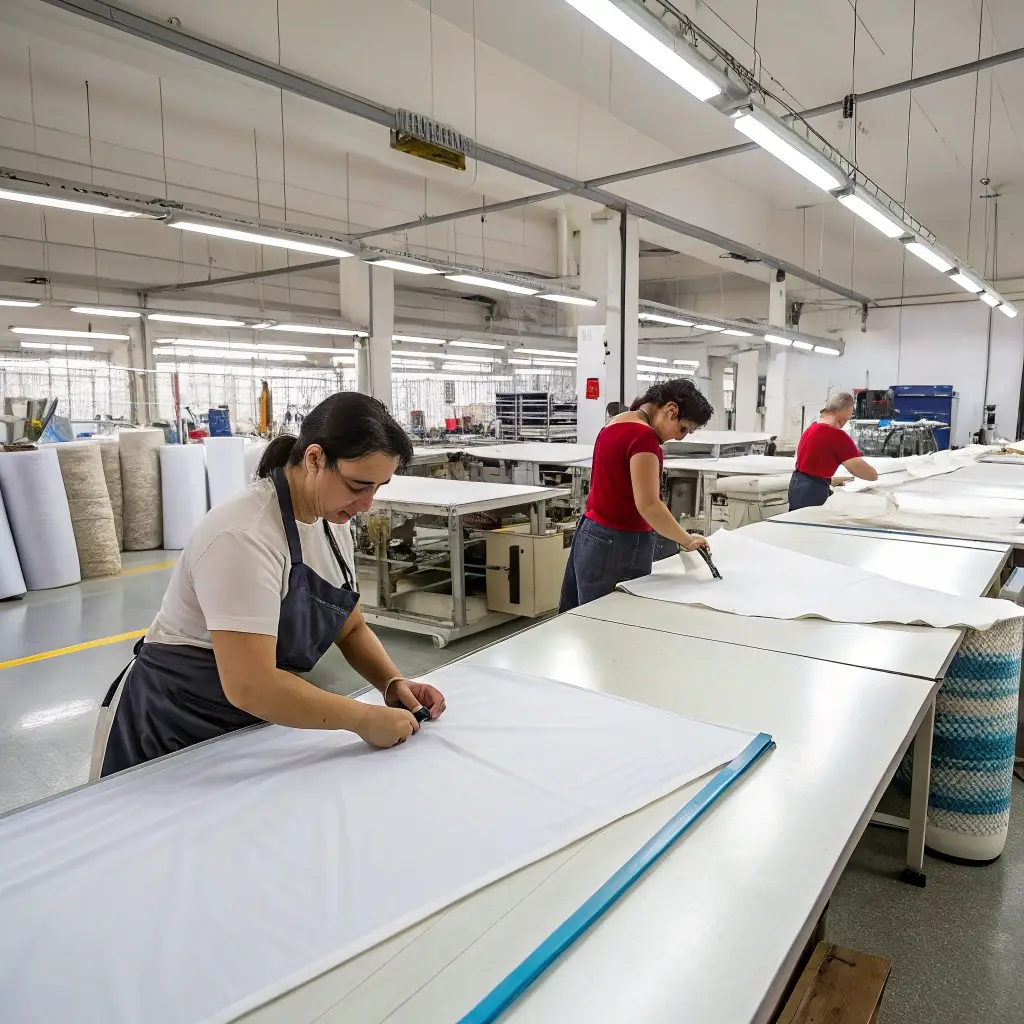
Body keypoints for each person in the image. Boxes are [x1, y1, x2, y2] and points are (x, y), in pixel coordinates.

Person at [94, 392, 445, 777]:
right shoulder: (243, 535)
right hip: (173, 726)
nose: (367, 504)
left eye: (378, 487)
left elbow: (351, 626)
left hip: (248, 721)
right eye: (358, 485)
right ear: (314, 459)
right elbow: (251, 684)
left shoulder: (329, 521)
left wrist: (391, 682)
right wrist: (362, 718)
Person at [559, 378, 714, 612]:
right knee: (618, 622)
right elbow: (649, 505)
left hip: (591, 534)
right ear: (671, 410)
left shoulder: (615, 423)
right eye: (683, 429)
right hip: (618, 544)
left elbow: (624, 497)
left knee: (589, 618)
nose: (679, 437)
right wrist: (687, 540)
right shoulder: (643, 438)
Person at [788, 390, 878, 511]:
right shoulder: (837, 436)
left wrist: (831, 480)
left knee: (797, 525)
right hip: (812, 491)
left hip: (796, 485)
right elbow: (868, 474)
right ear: (841, 412)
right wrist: (878, 474)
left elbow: (812, 465)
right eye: (846, 419)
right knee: (811, 526)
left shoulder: (812, 428)